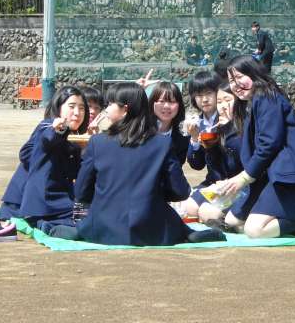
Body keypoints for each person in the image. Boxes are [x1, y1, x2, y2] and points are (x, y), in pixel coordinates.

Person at [50, 82, 224, 245]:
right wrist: (154, 193)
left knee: (74, 227)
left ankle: (77, 231)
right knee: (175, 225)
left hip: (104, 226)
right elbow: (180, 191)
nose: (106, 108)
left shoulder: (98, 142)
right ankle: (186, 233)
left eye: (110, 104)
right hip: (152, 227)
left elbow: (81, 191)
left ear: (125, 110)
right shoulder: (162, 143)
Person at [219, 55, 295, 238]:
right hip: (269, 176)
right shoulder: (251, 103)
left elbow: (269, 144)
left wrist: (243, 178)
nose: (235, 84)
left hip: (290, 177)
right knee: (232, 221)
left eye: (239, 77)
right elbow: (247, 149)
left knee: (254, 230)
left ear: (254, 73)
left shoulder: (267, 96)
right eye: (231, 80)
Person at [13, 86, 89, 230]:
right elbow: (47, 140)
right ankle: (48, 226)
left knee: (91, 213)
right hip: (45, 201)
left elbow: (75, 172)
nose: (77, 113)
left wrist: (86, 149)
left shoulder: (76, 136)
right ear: (59, 107)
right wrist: (58, 131)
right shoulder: (48, 126)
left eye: (82, 108)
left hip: (60, 197)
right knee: (88, 217)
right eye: (71, 107)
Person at [188, 81, 243, 224]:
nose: (204, 99)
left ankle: (231, 220)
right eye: (199, 95)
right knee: (189, 208)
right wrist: (194, 139)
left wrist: (228, 128)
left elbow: (240, 159)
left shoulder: (233, 119)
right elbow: (196, 165)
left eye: (208, 94)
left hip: (236, 182)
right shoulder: (196, 123)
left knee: (207, 213)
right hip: (214, 182)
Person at [148, 81, 189, 166]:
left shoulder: (183, 136)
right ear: (152, 103)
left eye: (172, 102)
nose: (166, 106)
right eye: (161, 101)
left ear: (179, 105)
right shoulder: (142, 130)